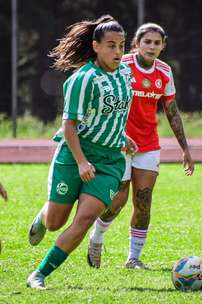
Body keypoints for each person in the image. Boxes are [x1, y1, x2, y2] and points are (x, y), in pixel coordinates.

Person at [26, 15, 134, 289]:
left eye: (121, 45)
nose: (118, 52)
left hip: (110, 161)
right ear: (96, 46)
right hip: (75, 155)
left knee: (84, 220)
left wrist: (122, 136)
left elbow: (115, 113)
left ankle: (38, 275)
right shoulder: (82, 80)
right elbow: (69, 125)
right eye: (111, 45)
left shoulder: (125, 73)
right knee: (54, 223)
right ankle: (44, 214)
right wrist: (82, 162)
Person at [87, 23, 194, 269]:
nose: (152, 47)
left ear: (163, 46)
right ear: (137, 44)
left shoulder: (165, 72)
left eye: (157, 43)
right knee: (118, 199)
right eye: (147, 42)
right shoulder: (121, 64)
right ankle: (97, 239)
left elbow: (172, 111)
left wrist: (185, 148)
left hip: (148, 144)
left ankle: (133, 258)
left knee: (144, 201)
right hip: (118, 143)